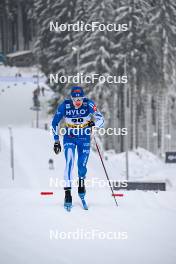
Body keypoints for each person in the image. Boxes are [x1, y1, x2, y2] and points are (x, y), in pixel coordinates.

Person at [51, 86, 104, 211]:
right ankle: (67, 194)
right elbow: (54, 122)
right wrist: (56, 141)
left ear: (83, 98)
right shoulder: (65, 105)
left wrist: (93, 124)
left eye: (80, 99)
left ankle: (81, 183)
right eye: (75, 99)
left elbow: (101, 119)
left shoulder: (88, 104)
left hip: (84, 138)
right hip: (69, 137)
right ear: (71, 98)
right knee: (69, 163)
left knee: (81, 166)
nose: (78, 102)